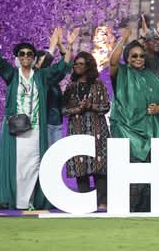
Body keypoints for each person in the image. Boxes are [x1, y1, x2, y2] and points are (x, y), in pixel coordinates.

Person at [0, 22, 74, 210]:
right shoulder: (12, 75)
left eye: (29, 54)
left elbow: (62, 66)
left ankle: (30, 201)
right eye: (22, 54)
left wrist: (68, 45)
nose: (25, 56)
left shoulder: (41, 76)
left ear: (34, 58)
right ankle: (14, 199)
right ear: (18, 57)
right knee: (16, 164)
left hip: (35, 128)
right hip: (16, 129)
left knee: (34, 163)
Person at [110, 28, 159, 212]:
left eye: (141, 56)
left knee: (151, 179)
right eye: (134, 56)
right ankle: (130, 212)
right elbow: (113, 62)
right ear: (127, 58)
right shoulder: (122, 74)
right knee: (133, 177)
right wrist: (123, 39)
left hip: (151, 132)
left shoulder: (151, 77)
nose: (139, 59)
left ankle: (148, 213)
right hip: (128, 132)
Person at [62, 51, 111, 209]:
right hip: (77, 129)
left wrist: (91, 106)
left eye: (81, 64)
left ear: (89, 66)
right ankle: (85, 203)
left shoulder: (99, 84)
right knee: (80, 165)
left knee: (100, 166)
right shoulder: (71, 87)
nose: (77, 66)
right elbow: (63, 109)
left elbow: (106, 106)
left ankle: (102, 202)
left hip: (97, 130)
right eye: (75, 64)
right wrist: (77, 109)